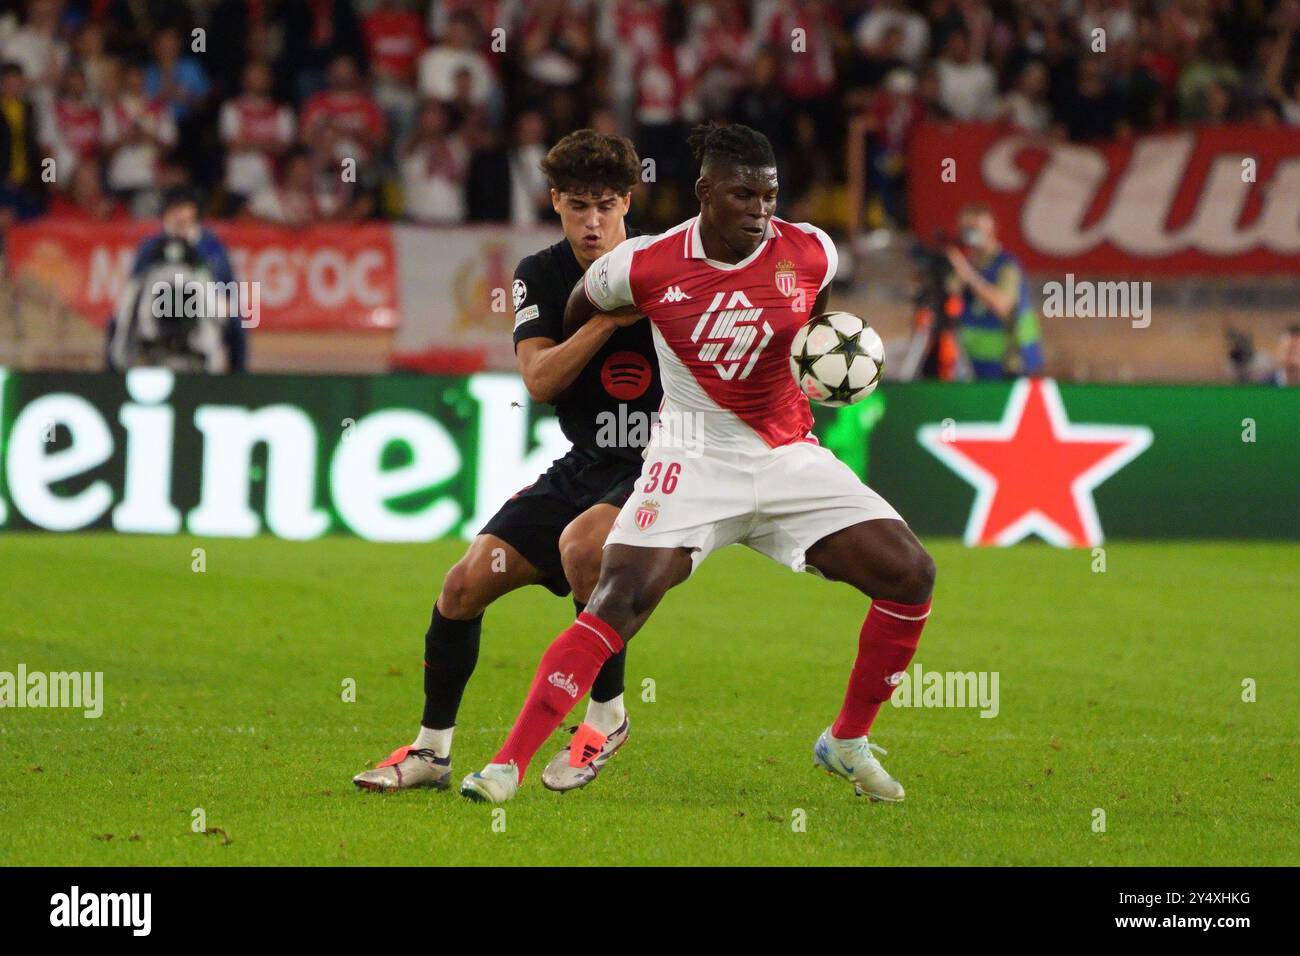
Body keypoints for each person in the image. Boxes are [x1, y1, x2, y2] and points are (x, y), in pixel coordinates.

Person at [460, 123, 936, 805]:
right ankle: (507, 763)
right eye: (744, 195)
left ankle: (847, 740)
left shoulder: (810, 250)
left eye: (770, 196)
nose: (760, 210)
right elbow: (579, 308)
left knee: (911, 573)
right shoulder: (643, 265)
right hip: (691, 460)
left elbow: (811, 315)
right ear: (705, 193)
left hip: (787, 454)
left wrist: (812, 365)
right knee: (615, 599)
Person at [353, 130, 661, 794]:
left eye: (606, 205)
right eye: (578, 205)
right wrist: (606, 321)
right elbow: (542, 380)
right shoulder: (540, 275)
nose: (593, 221)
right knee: (462, 586)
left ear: (628, 203)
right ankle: (432, 753)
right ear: (554, 202)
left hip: (662, 460)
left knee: (586, 551)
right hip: (587, 462)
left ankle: (606, 715)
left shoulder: (663, 267)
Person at [106, 186, 245, 373]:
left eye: (184, 209)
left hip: (204, 303)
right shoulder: (151, 246)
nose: (179, 215)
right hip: (154, 305)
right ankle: (112, 373)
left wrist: (226, 303)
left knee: (240, 320)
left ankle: (239, 377)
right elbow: (135, 283)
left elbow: (227, 285)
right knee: (116, 318)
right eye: (174, 209)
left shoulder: (212, 246)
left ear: (195, 213)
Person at [945, 203, 1044, 380]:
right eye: (966, 228)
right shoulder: (967, 264)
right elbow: (950, 294)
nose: (971, 234)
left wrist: (969, 277)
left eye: (976, 228)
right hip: (977, 365)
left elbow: (1002, 304)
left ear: (992, 230)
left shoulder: (1006, 265)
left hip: (1013, 363)